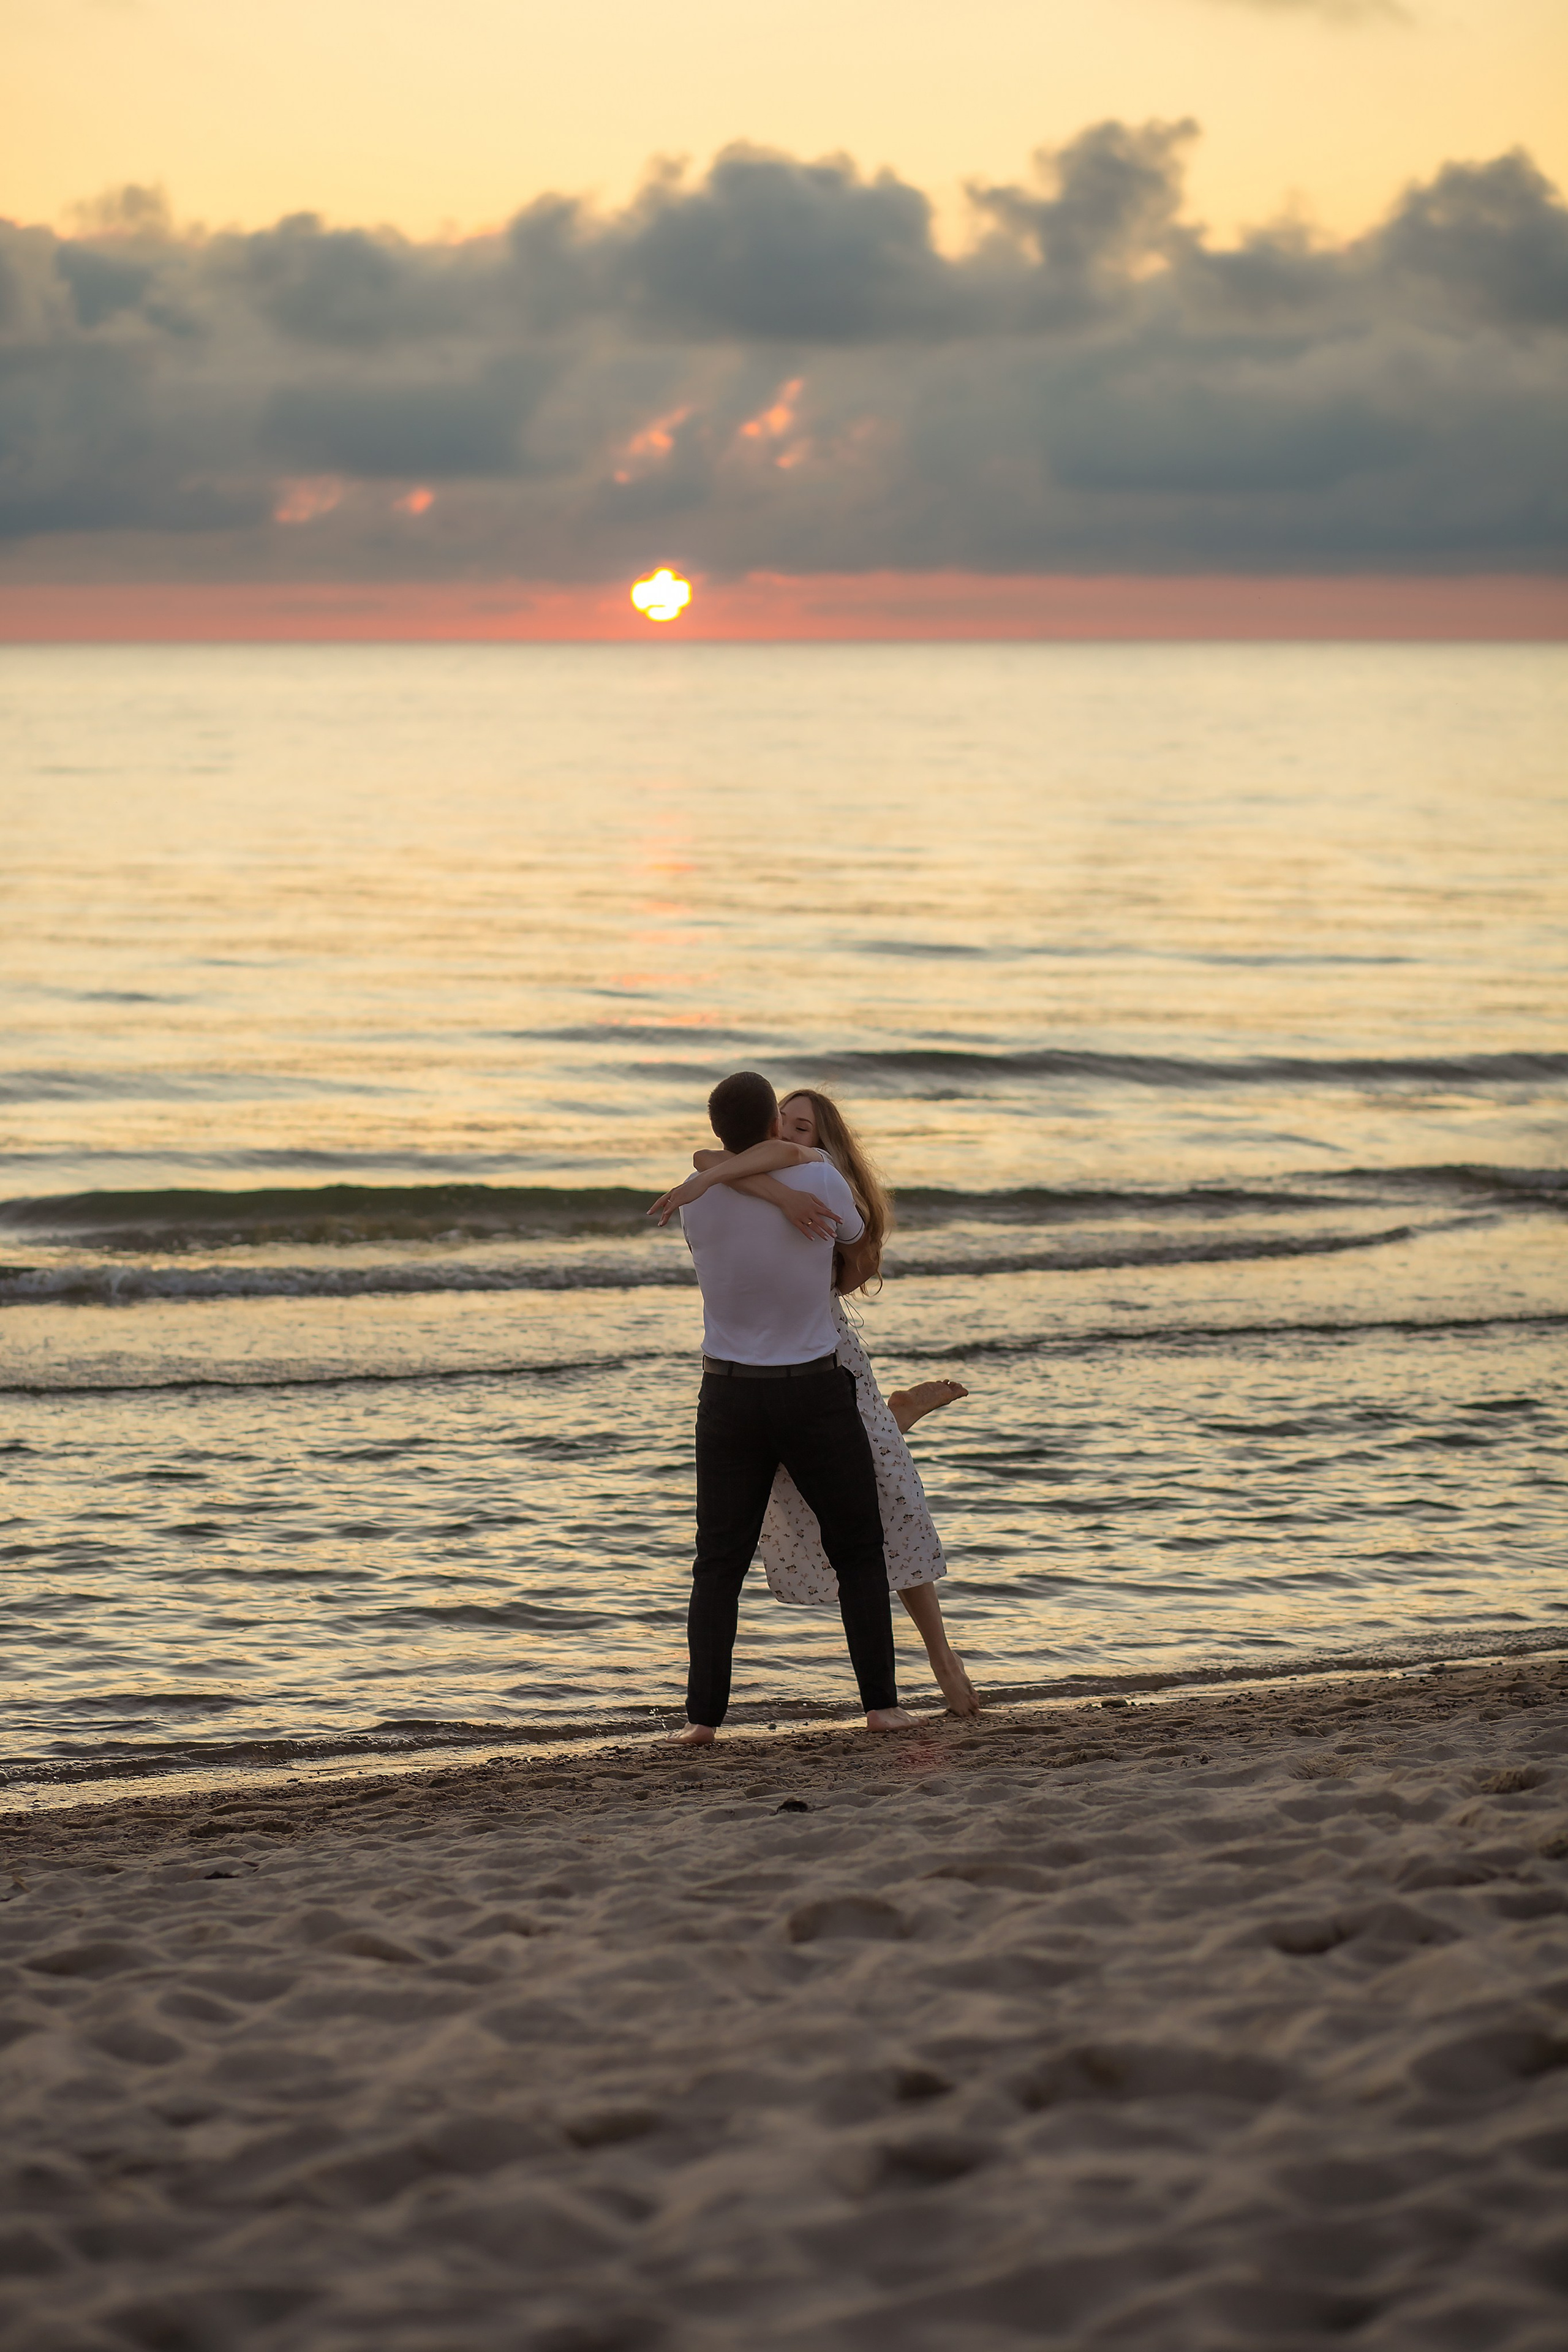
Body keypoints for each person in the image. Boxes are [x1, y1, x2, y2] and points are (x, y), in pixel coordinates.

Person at [649, 1084, 979, 1717]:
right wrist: (786, 1191)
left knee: (718, 1560)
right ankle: (882, 1706)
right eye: (786, 1122)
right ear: (771, 1121)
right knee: (855, 1547)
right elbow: (839, 1223)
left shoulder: (701, 1196)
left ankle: (702, 1721)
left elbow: (707, 1163)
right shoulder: (820, 1181)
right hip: (811, 1384)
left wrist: (704, 1186)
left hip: (728, 1389)